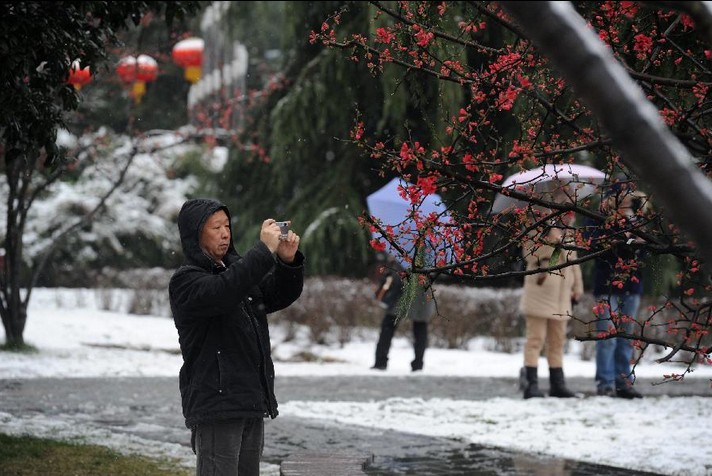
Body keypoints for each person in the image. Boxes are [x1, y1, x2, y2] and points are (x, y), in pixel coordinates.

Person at [169, 198, 305, 475]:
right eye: (215, 227)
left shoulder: (237, 270)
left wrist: (287, 261)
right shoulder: (187, 280)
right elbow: (224, 292)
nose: (225, 233)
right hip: (217, 402)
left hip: (250, 398)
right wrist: (264, 251)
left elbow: (273, 296)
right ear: (196, 234)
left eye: (227, 225)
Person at [589, 183, 649, 399]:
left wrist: (635, 244)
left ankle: (623, 382)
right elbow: (594, 246)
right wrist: (625, 242)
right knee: (607, 337)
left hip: (632, 287)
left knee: (625, 337)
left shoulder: (638, 219)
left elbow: (645, 252)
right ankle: (604, 382)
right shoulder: (599, 218)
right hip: (606, 284)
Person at [519, 204, 584, 399]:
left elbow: (574, 264)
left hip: (562, 297)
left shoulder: (569, 234)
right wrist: (551, 242)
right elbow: (529, 255)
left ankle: (558, 384)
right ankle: (531, 384)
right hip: (540, 294)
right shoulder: (538, 228)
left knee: (557, 342)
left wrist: (578, 287)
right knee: (535, 340)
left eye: (569, 216)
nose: (567, 219)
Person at [371, 254, 435, 372]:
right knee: (419, 327)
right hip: (421, 292)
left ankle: (380, 362)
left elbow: (399, 271)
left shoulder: (405, 243)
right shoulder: (432, 247)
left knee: (388, 326)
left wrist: (394, 262)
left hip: (401, 291)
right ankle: (418, 364)